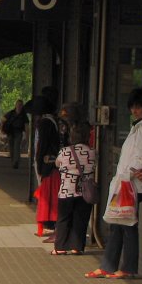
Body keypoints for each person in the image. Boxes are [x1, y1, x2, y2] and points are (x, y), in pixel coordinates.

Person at [85, 88, 142, 279]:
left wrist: (128, 174)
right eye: (132, 107)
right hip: (128, 183)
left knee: (127, 225)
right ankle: (109, 265)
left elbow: (140, 157)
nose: (134, 111)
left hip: (132, 184)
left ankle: (127, 267)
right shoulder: (140, 126)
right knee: (118, 223)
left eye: (138, 107)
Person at [51, 104, 94, 255]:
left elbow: (57, 164)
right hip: (84, 191)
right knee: (80, 219)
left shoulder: (65, 151)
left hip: (67, 190)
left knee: (63, 219)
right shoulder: (91, 152)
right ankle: (77, 247)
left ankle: (60, 247)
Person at [31, 86, 61, 238]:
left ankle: (50, 225)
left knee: (47, 197)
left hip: (48, 166)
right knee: (52, 197)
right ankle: (51, 225)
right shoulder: (54, 121)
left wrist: (40, 165)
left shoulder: (44, 123)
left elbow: (42, 146)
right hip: (53, 165)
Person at [1, 98, 29, 169]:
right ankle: (13, 161)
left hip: (18, 132)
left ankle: (16, 162)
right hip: (10, 132)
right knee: (11, 147)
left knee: (17, 146)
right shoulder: (11, 113)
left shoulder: (24, 115)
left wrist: (27, 137)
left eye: (20, 105)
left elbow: (26, 126)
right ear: (15, 105)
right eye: (18, 105)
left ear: (22, 106)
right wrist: (2, 129)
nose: (19, 106)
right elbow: (3, 119)